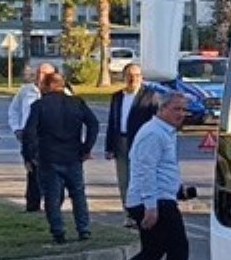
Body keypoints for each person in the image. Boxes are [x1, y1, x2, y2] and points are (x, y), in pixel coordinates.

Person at [90, 91, 205, 260]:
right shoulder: (153, 133)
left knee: (153, 252)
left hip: (159, 198)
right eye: (177, 109)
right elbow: (144, 171)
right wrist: (151, 207)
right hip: (154, 202)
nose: (181, 114)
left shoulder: (164, 132)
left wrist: (178, 190)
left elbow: (162, 169)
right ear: (161, 110)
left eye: (184, 110)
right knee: (178, 249)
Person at [21, 71, 98, 244]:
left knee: (52, 197)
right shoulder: (77, 103)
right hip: (73, 155)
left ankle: (58, 231)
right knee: (78, 194)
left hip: (48, 157)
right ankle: (83, 229)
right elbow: (93, 124)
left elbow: (29, 133)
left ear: (46, 86)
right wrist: (86, 148)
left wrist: (30, 155)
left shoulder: (39, 106)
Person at [8, 62, 57, 212]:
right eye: (39, 73)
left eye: (46, 74)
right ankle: (32, 204)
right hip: (30, 137)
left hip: (50, 139)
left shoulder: (61, 92)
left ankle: (52, 204)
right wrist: (17, 129)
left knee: (50, 171)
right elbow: (14, 110)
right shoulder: (26, 91)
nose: (41, 76)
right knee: (32, 169)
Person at [105, 63, 146, 218]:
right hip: (121, 142)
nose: (132, 79)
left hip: (141, 144)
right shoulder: (117, 97)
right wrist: (110, 147)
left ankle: (141, 213)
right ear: (123, 77)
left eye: (136, 75)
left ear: (142, 78)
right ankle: (128, 215)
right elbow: (112, 122)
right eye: (129, 75)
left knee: (139, 180)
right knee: (124, 182)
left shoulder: (150, 96)